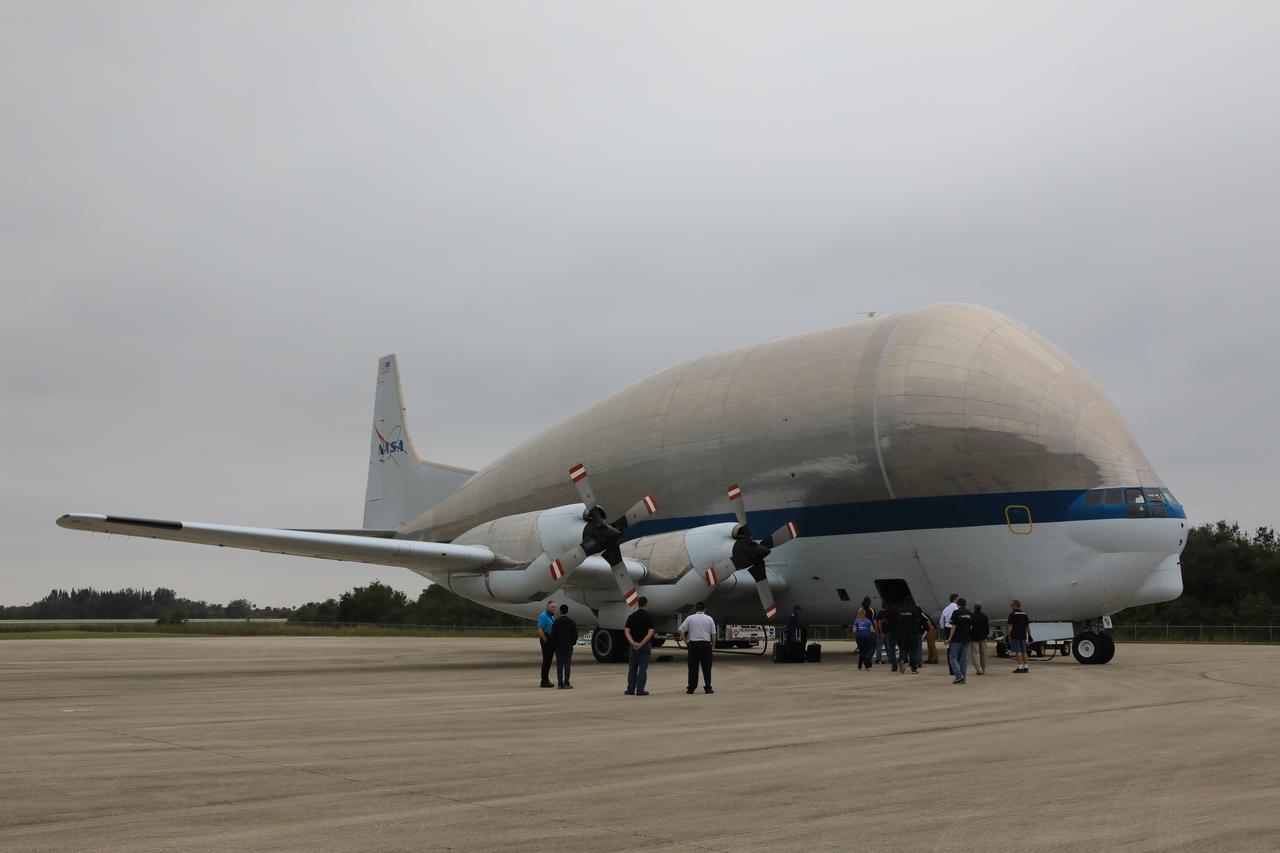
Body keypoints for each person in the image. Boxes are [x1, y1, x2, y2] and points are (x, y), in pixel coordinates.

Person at [679, 602, 716, 693]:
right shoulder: (709, 618)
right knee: (707, 667)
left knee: (692, 667)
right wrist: (713, 645)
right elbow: (713, 634)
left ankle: (691, 688)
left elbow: (681, 630)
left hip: (693, 645)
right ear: (704, 609)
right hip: (705, 644)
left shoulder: (690, 618)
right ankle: (708, 687)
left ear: (696, 609)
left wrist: (687, 642)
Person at [624, 596, 656, 695]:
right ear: (646, 604)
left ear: (638, 604)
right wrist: (642, 643)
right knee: (642, 668)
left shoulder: (631, 617)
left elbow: (626, 631)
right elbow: (650, 632)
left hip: (634, 646)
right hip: (645, 645)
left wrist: (633, 643)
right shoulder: (649, 617)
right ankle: (640, 690)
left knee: (632, 667)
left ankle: (630, 689)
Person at [549, 604, 578, 688]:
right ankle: (566, 682)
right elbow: (575, 635)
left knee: (559, 665)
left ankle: (560, 683)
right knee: (567, 665)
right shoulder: (571, 622)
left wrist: (554, 644)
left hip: (558, 647)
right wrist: (572, 643)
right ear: (567, 611)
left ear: (560, 611)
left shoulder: (556, 622)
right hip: (568, 646)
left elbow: (552, 635)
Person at [946, 597, 973, 684]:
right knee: (964, 658)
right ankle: (963, 678)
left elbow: (953, 626)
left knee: (953, 657)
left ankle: (958, 675)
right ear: (965, 604)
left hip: (957, 638)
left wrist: (949, 638)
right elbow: (971, 627)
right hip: (967, 638)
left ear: (957, 604)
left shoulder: (956, 612)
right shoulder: (970, 613)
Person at [893, 598, 920, 674]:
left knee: (903, 649)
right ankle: (914, 668)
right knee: (913, 651)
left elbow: (897, 619)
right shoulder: (914, 610)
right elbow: (917, 619)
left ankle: (902, 659)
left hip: (903, 633)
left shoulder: (900, 610)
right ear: (911, 602)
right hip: (913, 633)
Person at [1006, 599, 1032, 673]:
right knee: (1024, 651)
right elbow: (1027, 626)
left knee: (1018, 651)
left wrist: (1008, 635)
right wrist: (1029, 635)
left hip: (1015, 636)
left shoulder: (1012, 614)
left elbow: (1010, 626)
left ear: (1015, 605)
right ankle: (1026, 667)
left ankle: (1020, 667)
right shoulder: (1024, 614)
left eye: (1012, 604)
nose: (1010, 605)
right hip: (1023, 635)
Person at [537, 600, 557, 688]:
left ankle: (546, 679)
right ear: (548, 607)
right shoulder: (543, 616)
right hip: (546, 638)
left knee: (548, 661)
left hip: (551, 639)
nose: (554, 609)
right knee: (546, 660)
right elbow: (540, 629)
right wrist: (545, 640)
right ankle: (544, 681)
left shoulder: (551, 616)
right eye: (553, 607)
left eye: (555, 607)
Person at [861, 596, 885, 664]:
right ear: (869, 603)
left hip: (862, 630)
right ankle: (871, 658)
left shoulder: (860, 610)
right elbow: (875, 622)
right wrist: (877, 631)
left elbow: (857, 620)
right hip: (870, 630)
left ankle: (864, 658)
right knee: (873, 645)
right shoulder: (871, 610)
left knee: (865, 645)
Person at [939, 593, 959, 674]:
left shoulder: (946, 609)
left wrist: (944, 628)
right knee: (956, 649)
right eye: (958, 599)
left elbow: (941, 621)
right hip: (955, 629)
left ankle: (951, 670)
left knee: (949, 649)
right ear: (955, 599)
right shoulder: (956, 608)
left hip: (947, 629)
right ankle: (956, 669)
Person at [970, 602, 990, 676]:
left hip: (974, 637)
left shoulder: (972, 616)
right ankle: (984, 668)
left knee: (975, 654)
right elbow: (987, 628)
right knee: (983, 653)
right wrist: (986, 635)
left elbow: (970, 627)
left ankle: (979, 670)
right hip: (983, 637)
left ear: (974, 608)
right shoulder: (984, 616)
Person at [880, 604, 899, 671]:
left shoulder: (887, 612)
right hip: (899, 632)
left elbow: (884, 621)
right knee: (902, 648)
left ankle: (894, 665)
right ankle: (902, 660)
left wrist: (882, 631)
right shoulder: (900, 610)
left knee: (892, 649)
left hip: (890, 632)